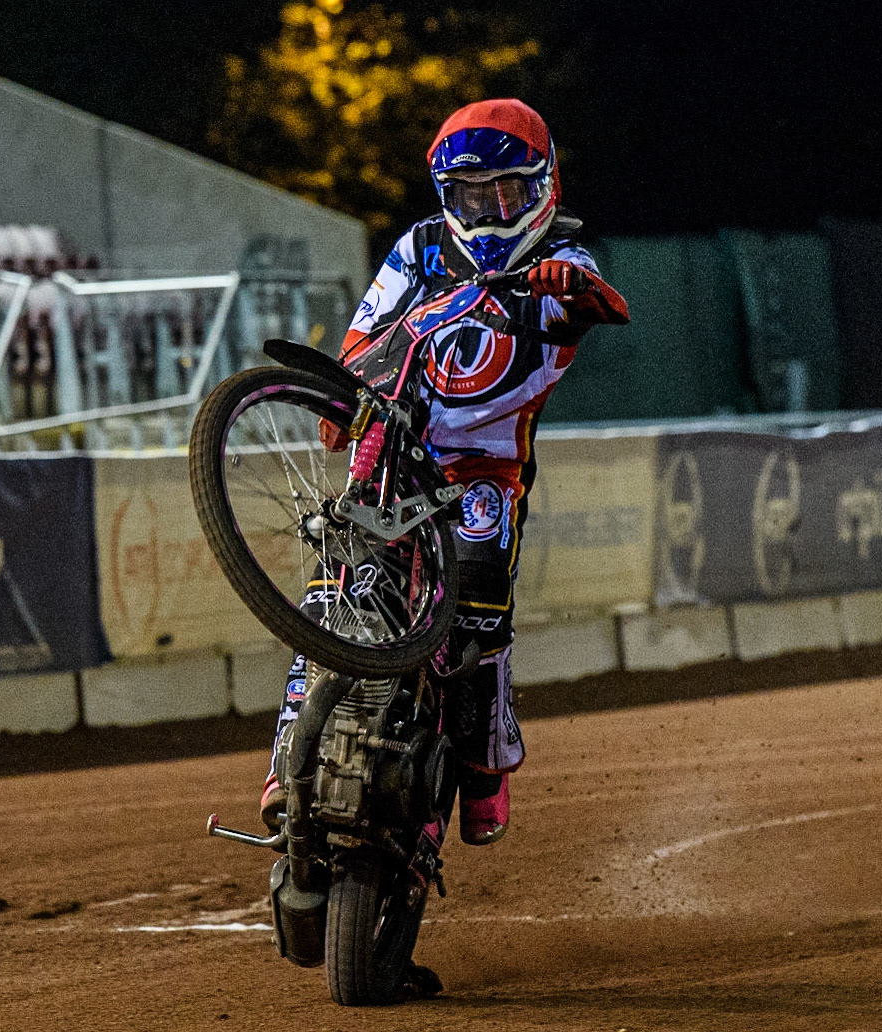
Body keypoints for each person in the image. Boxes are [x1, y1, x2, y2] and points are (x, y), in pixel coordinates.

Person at [261, 98, 629, 849]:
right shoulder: (419, 248)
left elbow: (600, 302)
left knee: (479, 608)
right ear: (446, 197)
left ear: (542, 185)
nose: (491, 212)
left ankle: (484, 762)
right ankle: (281, 766)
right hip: (394, 443)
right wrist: (340, 394)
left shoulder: (564, 254)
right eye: (472, 196)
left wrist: (567, 287)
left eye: (508, 193)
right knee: (333, 591)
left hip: (484, 466)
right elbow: (363, 331)